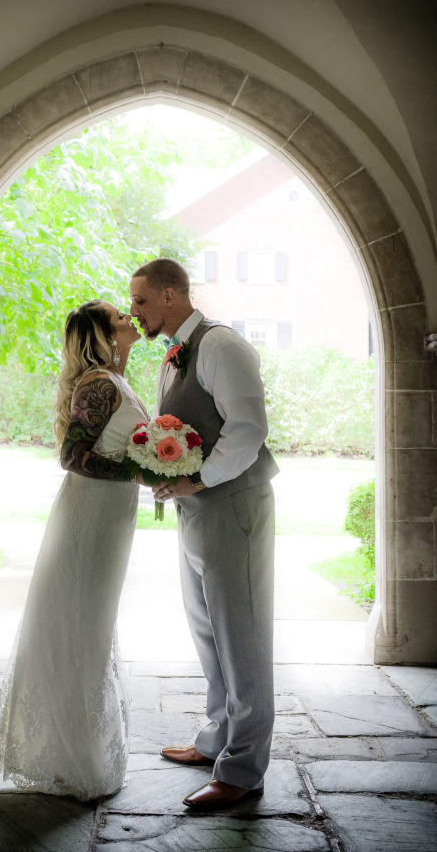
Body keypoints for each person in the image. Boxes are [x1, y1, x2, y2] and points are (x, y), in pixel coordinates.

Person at [0, 299, 146, 800]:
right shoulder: (97, 384)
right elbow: (72, 456)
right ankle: (72, 758)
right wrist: (140, 471)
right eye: (120, 316)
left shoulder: (114, 380)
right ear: (102, 333)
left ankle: (79, 747)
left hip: (110, 520)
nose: (129, 318)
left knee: (91, 624)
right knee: (81, 626)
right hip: (90, 520)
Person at [130, 258, 279, 810]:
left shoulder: (221, 347)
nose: (135, 311)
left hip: (232, 504)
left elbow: (247, 430)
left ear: (171, 295)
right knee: (207, 630)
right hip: (195, 508)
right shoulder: (174, 353)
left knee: (242, 636)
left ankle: (242, 770)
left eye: (142, 301)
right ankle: (216, 739)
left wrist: (196, 479)